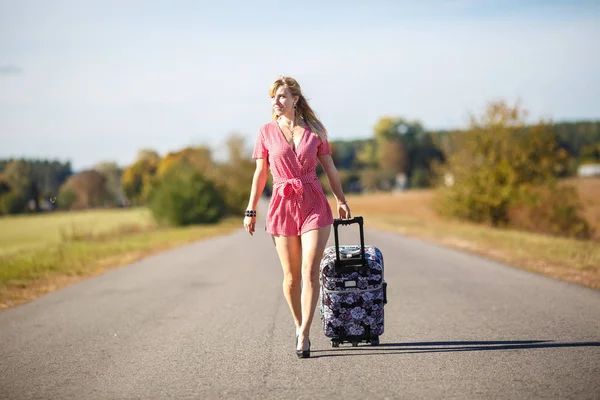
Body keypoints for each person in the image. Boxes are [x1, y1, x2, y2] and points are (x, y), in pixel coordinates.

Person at [243, 76, 351, 359]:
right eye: (273, 98)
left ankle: (304, 333)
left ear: (295, 100)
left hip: (314, 201)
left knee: (309, 270)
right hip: (282, 202)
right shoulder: (265, 131)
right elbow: (261, 174)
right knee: (291, 277)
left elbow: (330, 168)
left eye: (281, 97)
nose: (276, 102)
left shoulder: (315, 130)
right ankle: (298, 323)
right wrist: (251, 209)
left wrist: (340, 199)